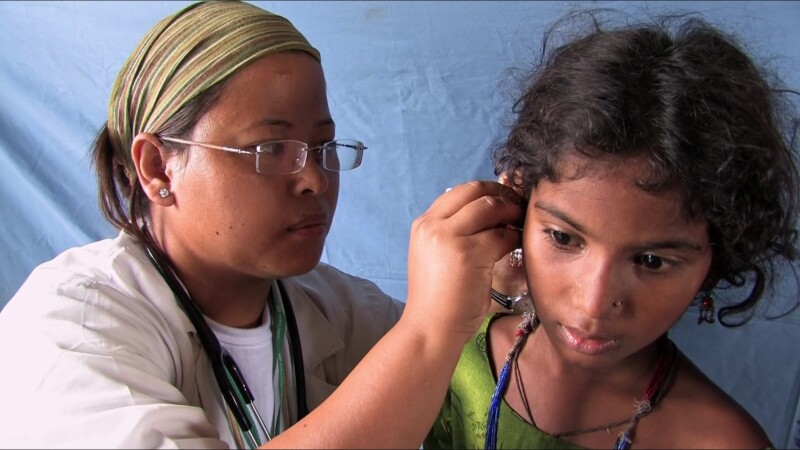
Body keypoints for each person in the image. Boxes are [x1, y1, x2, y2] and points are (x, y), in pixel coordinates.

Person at [0, 1, 524, 448]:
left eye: (323, 146)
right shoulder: (68, 326)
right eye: (271, 149)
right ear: (158, 167)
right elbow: (422, 345)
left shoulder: (339, 310)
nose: (315, 179)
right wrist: (428, 331)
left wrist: (492, 292)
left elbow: (451, 375)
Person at [425, 10, 799, 450]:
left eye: (652, 261)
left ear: (717, 260)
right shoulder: (450, 351)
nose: (594, 303)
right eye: (563, 238)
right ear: (517, 213)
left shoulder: (722, 443)